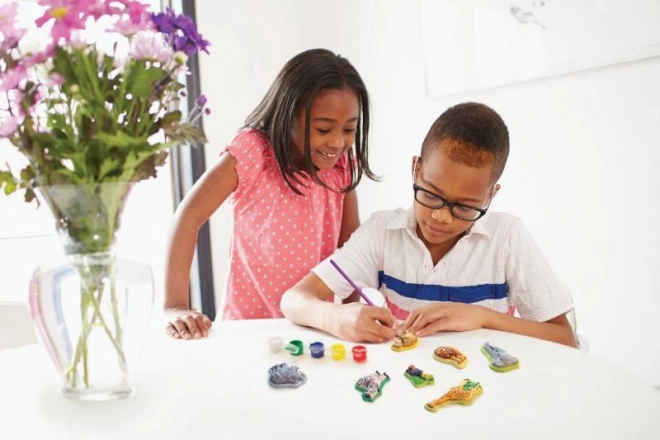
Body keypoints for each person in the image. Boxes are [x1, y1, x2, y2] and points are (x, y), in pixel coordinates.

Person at [280, 102, 577, 347]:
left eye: (464, 207)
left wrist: (482, 317)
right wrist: (335, 317)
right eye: (431, 195)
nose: (441, 217)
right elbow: (293, 300)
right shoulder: (383, 232)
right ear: (416, 169)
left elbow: (565, 339)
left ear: (490, 195)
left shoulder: (506, 238)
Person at [164, 48, 377, 339]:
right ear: (289, 115)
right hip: (248, 331)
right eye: (323, 129)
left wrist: (350, 310)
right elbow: (188, 216)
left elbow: (350, 247)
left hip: (314, 330)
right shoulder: (253, 152)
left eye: (349, 129)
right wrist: (175, 306)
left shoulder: (342, 166)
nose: (338, 142)